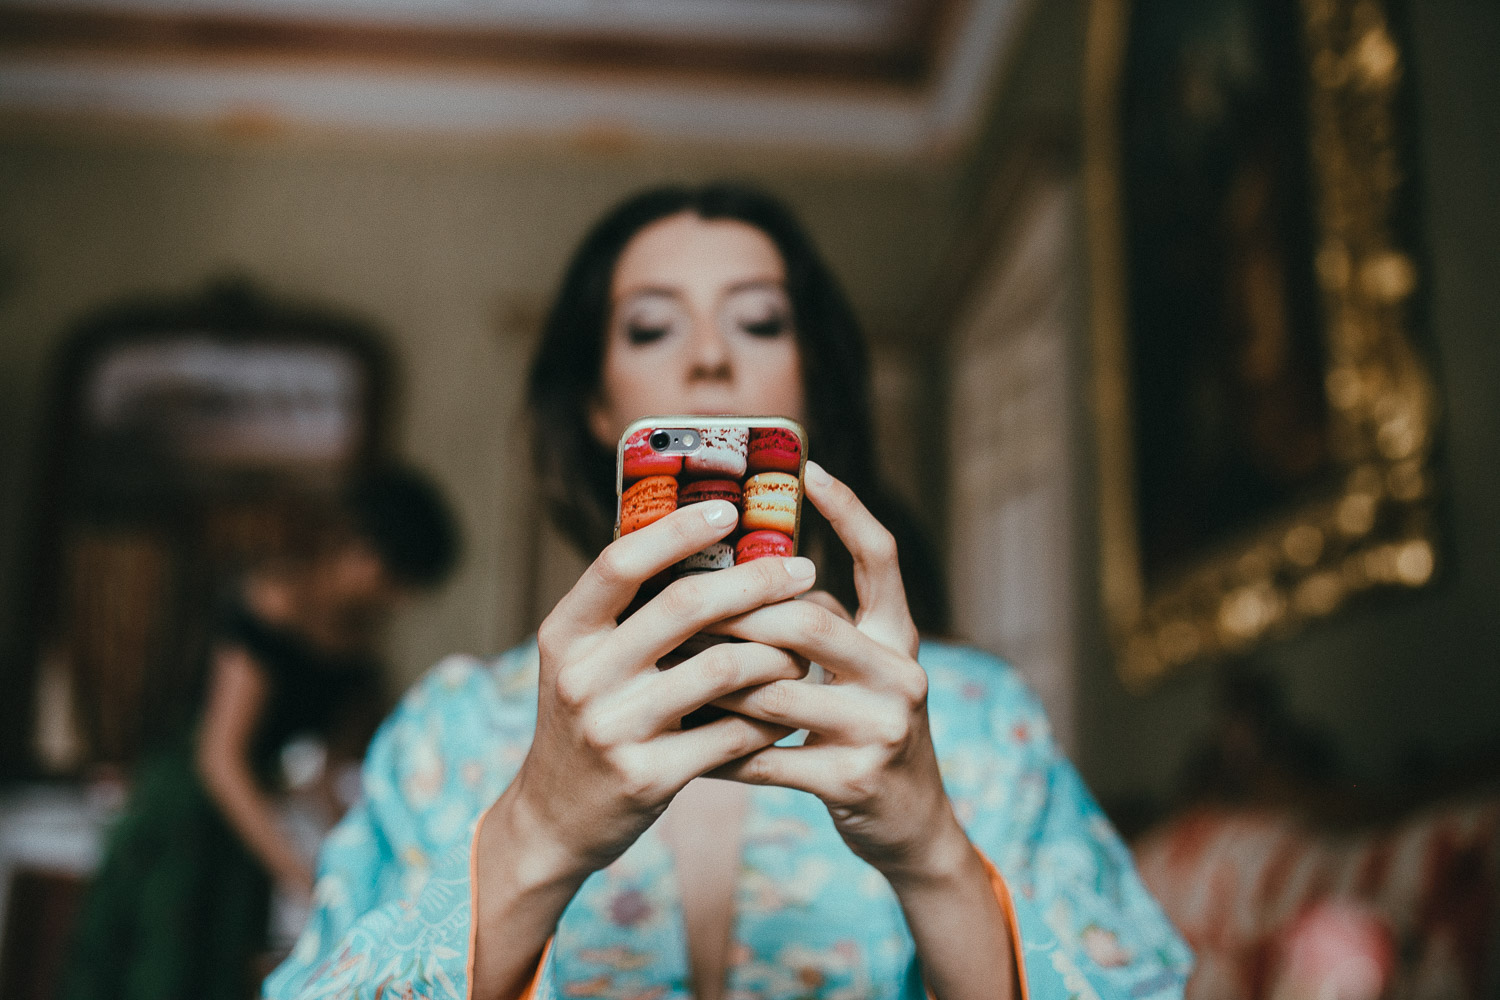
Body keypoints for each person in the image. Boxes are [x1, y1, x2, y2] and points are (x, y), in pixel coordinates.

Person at [265, 184, 1193, 1000]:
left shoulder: (983, 719)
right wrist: (535, 832)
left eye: (758, 321)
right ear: (598, 407)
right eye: (651, 327)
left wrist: (937, 857)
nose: (709, 357)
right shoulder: (447, 733)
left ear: (811, 389)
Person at [63, 465, 460, 1000]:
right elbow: (220, 757)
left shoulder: (357, 650)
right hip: (188, 803)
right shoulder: (272, 603)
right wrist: (299, 873)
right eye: (400, 582)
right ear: (368, 553)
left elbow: (326, 778)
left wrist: (369, 864)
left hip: (247, 819)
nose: (400, 601)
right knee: (159, 967)